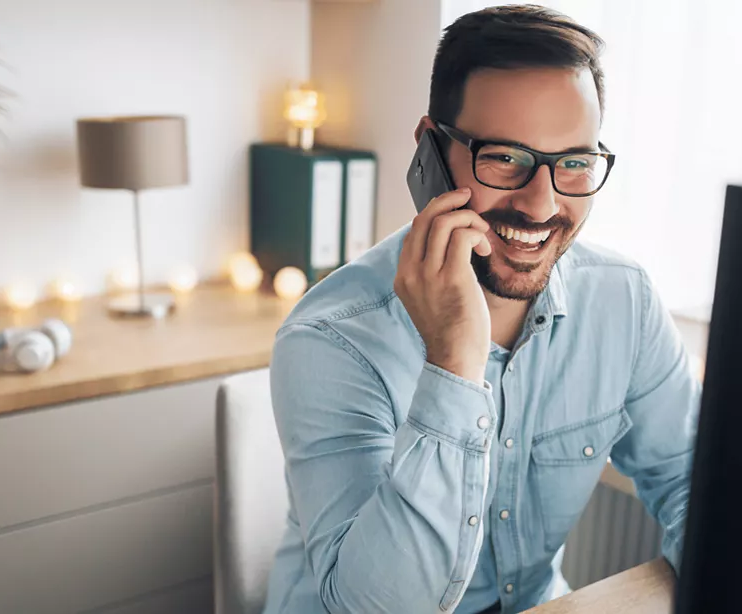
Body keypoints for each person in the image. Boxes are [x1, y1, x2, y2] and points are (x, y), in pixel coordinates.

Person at [263, 5, 699, 613]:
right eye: (506, 157)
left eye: (573, 162)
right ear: (430, 151)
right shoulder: (330, 339)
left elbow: (693, 484)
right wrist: (454, 361)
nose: (541, 204)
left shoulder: (623, 300)